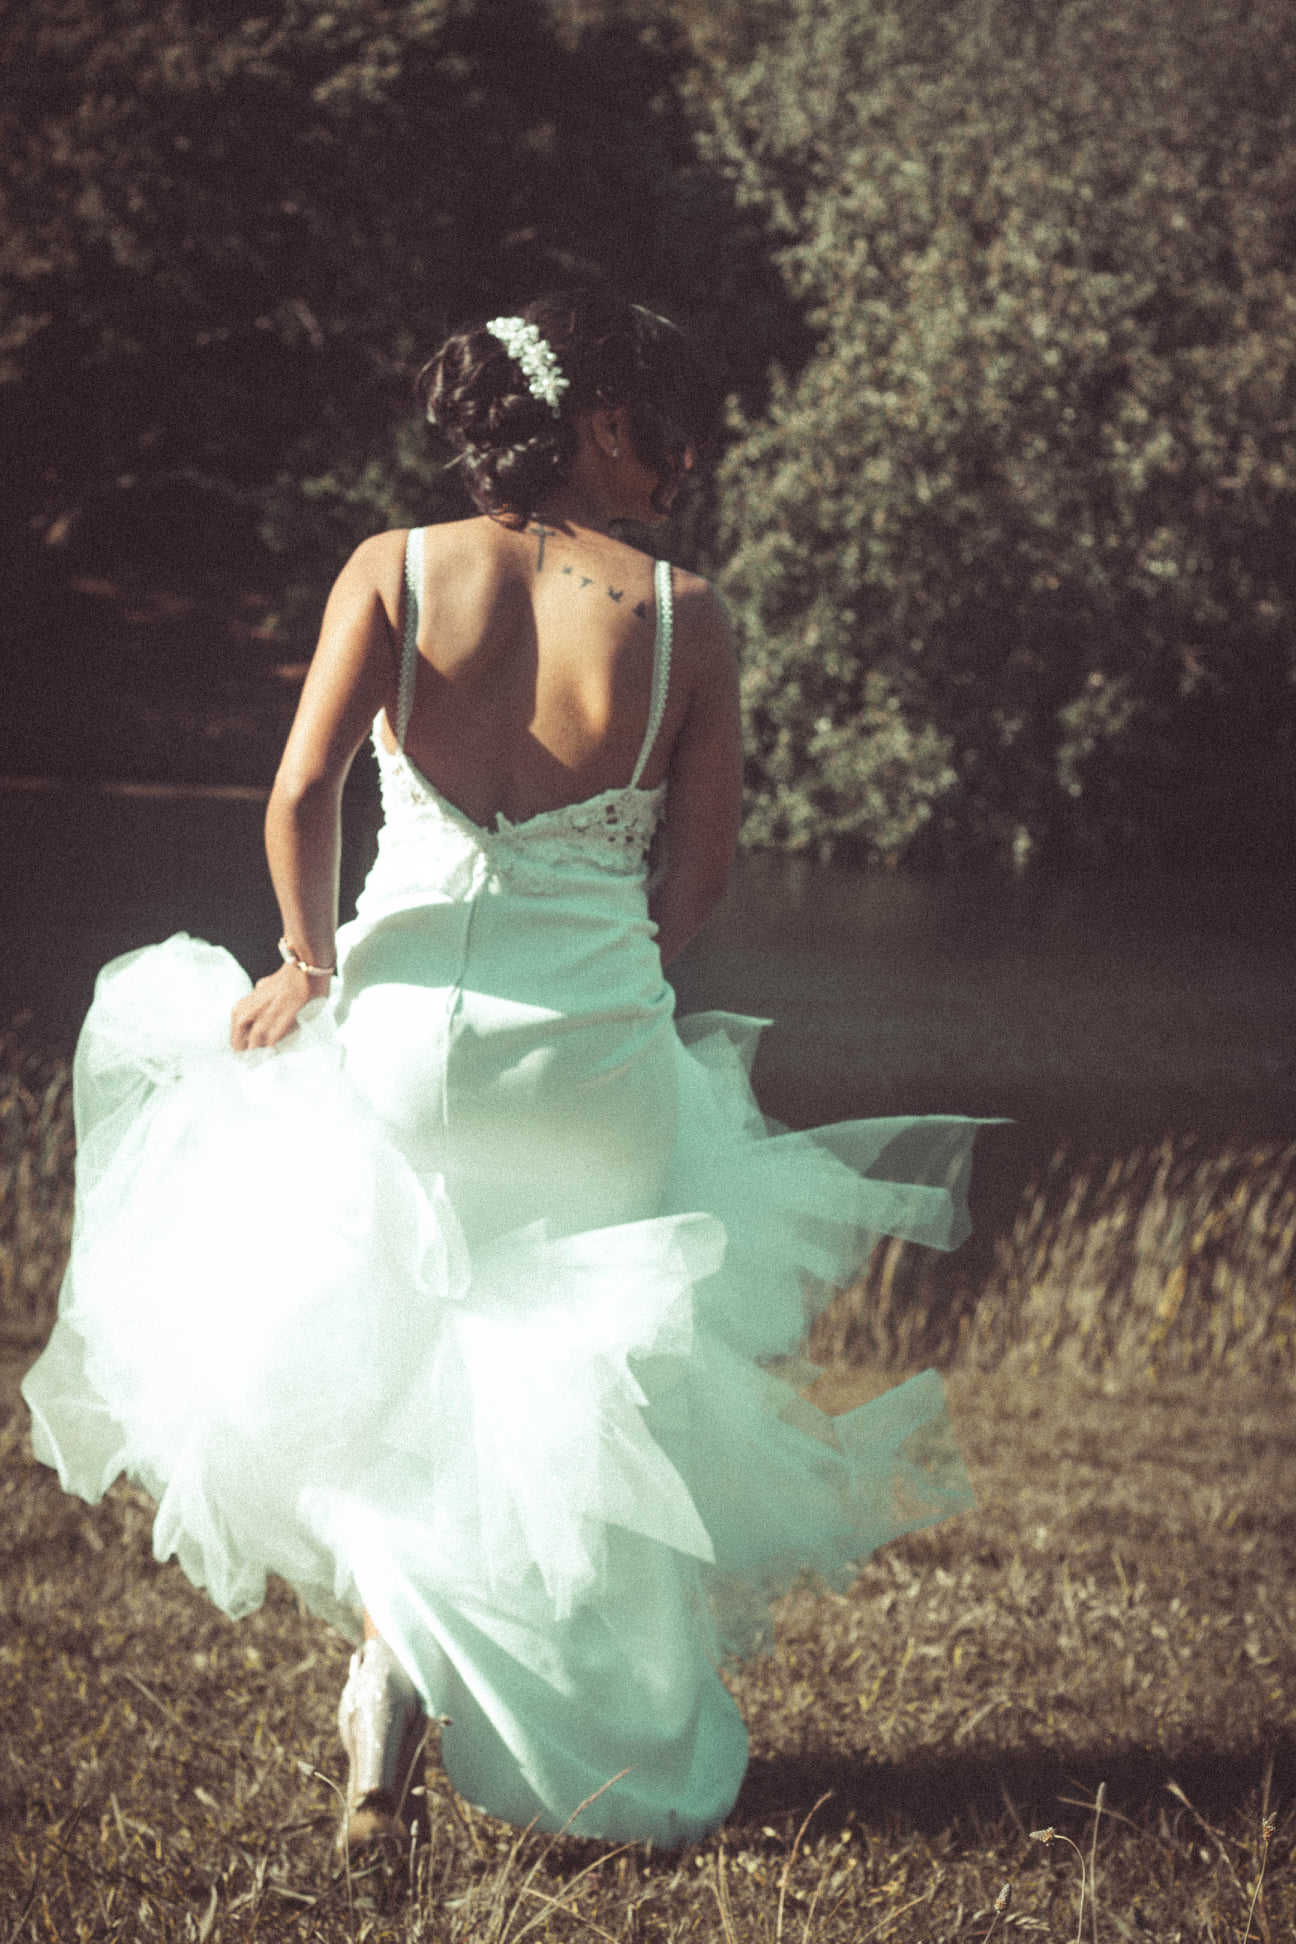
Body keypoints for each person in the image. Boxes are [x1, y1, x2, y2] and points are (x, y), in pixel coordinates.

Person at [23, 291, 982, 1855]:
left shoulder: (392, 569)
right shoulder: (688, 616)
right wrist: (613, 972)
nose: (685, 463)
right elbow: (701, 878)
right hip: (592, 1057)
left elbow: (300, 793)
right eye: (666, 431)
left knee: (396, 1369)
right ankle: (504, 1711)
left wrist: (305, 961)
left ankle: (390, 1683)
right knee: (576, 1380)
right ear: (593, 423)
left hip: (405, 1040)